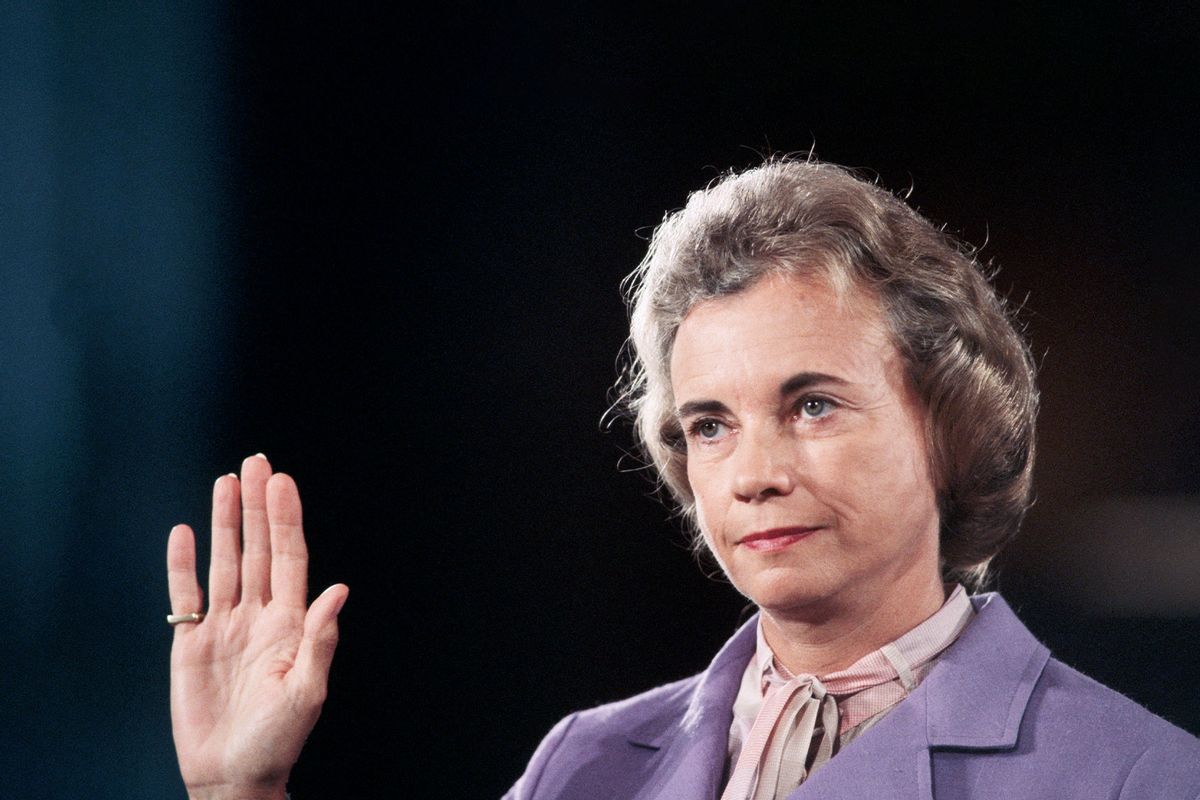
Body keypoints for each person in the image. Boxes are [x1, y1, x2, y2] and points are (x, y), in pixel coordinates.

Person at [166, 159, 1200, 800]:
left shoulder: (1137, 775)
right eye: (710, 424)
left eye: (813, 405)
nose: (753, 473)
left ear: (948, 421)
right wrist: (238, 789)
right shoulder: (586, 764)